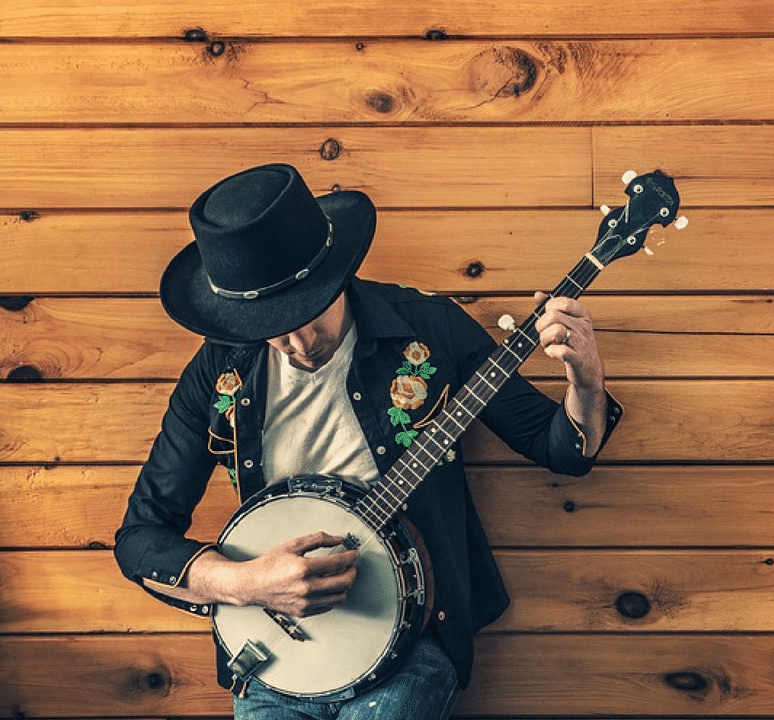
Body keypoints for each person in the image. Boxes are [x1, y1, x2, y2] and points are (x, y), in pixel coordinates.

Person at [114, 163, 622, 718]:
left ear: (336, 273)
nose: (297, 340)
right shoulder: (219, 371)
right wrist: (243, 583)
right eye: (269, 324)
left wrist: (587, 381)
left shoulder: (427, 327)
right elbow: (142, 537)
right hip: (274, 653)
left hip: (415, 640)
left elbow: (560, 450)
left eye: (307, 310)